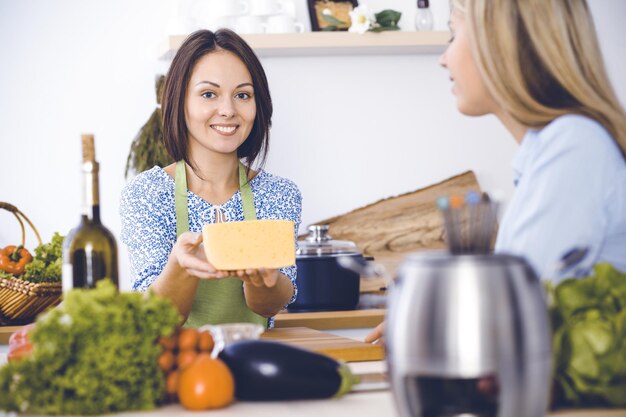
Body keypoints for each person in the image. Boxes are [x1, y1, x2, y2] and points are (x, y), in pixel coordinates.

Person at [365, 0, 626, 343]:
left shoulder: (573, 144)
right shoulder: (553, 149)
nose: (443, 58)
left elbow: (523, 311)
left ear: (499, 43)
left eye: (452, 34)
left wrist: (431, 326)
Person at [120, 29, 302, 328]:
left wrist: (263, 279)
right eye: (208, 94)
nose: (228, 110)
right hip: (177, 366)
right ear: (180, 102)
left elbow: (271, 306)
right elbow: (158, 316)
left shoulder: (278, 193)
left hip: (252, 360)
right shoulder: (147, 193)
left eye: (243, 95)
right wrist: (180, 266)